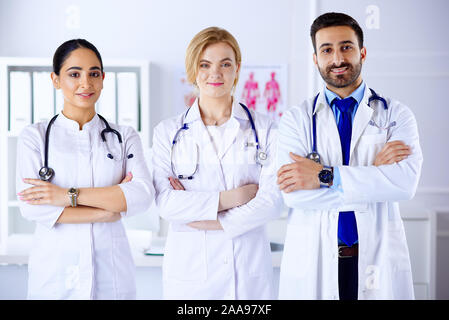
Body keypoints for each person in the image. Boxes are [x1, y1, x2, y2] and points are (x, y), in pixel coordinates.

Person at [276, 12, 423, 300]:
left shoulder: (396, 115)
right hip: (316, 259)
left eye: (346, 47)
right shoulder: (296, 120)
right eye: (327, 50)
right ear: (316, 59)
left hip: (375, 256)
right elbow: (292, 195)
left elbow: (404, 185)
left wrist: (322, 176)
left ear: (362, 52)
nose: (338, 59)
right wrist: (374, 175)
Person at [16, 39, 155, 299]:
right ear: (55, 80)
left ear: (103, 79)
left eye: (93, 74)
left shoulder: (124, 136)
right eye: (74, 74)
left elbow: (142, 195)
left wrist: (66, 196)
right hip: (55, 274)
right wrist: (106, 210)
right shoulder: (34, 137)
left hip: (111, 273)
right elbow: (31, 206)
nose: (86, 83)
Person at [152, 27, 282, 299]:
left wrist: (207, 219)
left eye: (225, 64)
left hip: (247, 277)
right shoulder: (168, 132)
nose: (216, 73)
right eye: (205, 64)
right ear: (192, 69)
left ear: (237, 68)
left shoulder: (265, 129)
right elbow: (166, 203)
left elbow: (272, 201)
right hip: (191, 279)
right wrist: (235, 197)